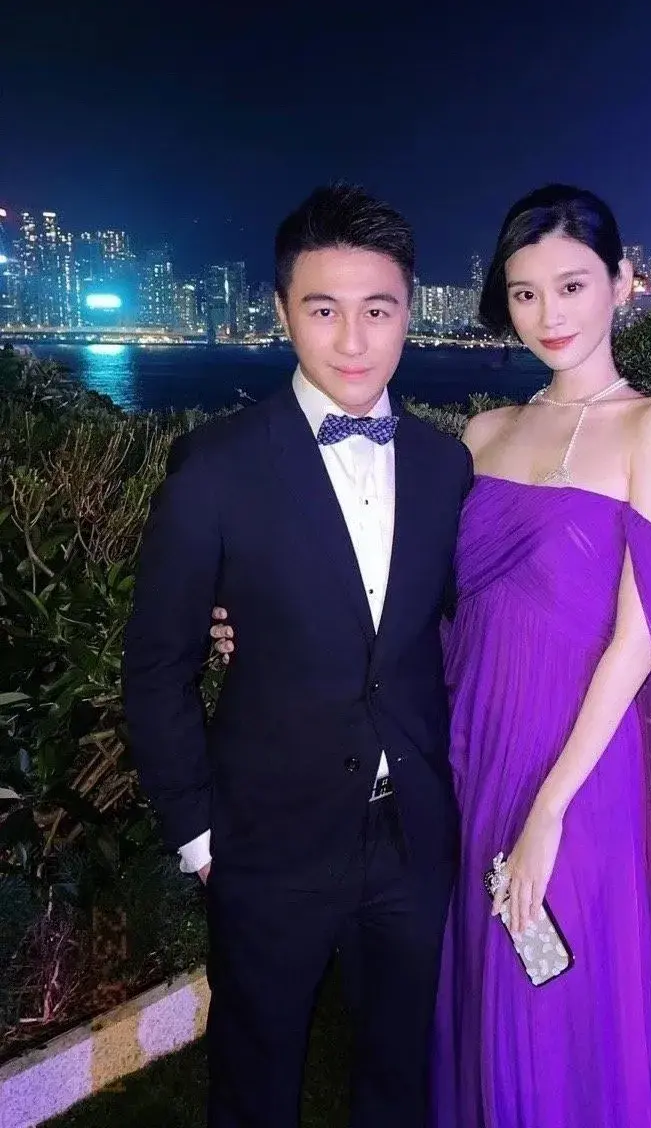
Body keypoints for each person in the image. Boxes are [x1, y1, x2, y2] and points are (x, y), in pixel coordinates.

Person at [212, 185, 651, 1126]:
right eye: (526, 292)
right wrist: (275, 624)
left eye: (572, 285)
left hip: (581, 764)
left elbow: (641, 637)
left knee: (559, 989)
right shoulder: (484, 434)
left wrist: (551, 808)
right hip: (472, 748)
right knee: (486, 980)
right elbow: (415, 601)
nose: (550, 314)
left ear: (622, 281)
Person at [122, 184, 472, 1128]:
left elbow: (439, 628)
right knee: (255, 1079)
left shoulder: (446, 466)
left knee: (401, 1076)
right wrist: (199, 837)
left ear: (410, 311)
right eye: (324, 310)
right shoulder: (215, 465)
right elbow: (156, 665)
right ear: (282, 313)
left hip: (411, 835)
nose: (353, 340)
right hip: (264, 841)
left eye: (377, 310)